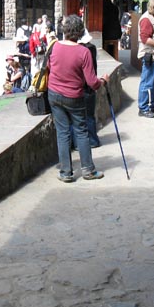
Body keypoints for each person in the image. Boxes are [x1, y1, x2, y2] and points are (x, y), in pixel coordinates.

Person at [47, 14, 109, 183]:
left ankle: (66, 172)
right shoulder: (84, 52)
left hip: (53, 93)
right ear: (81, 32)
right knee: (81, 131)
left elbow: (49, 67)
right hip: (73, 97)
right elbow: (92, 82)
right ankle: (88, 170)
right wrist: (102, 81)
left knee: (62, 132)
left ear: (64, 31)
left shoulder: (54, 46)